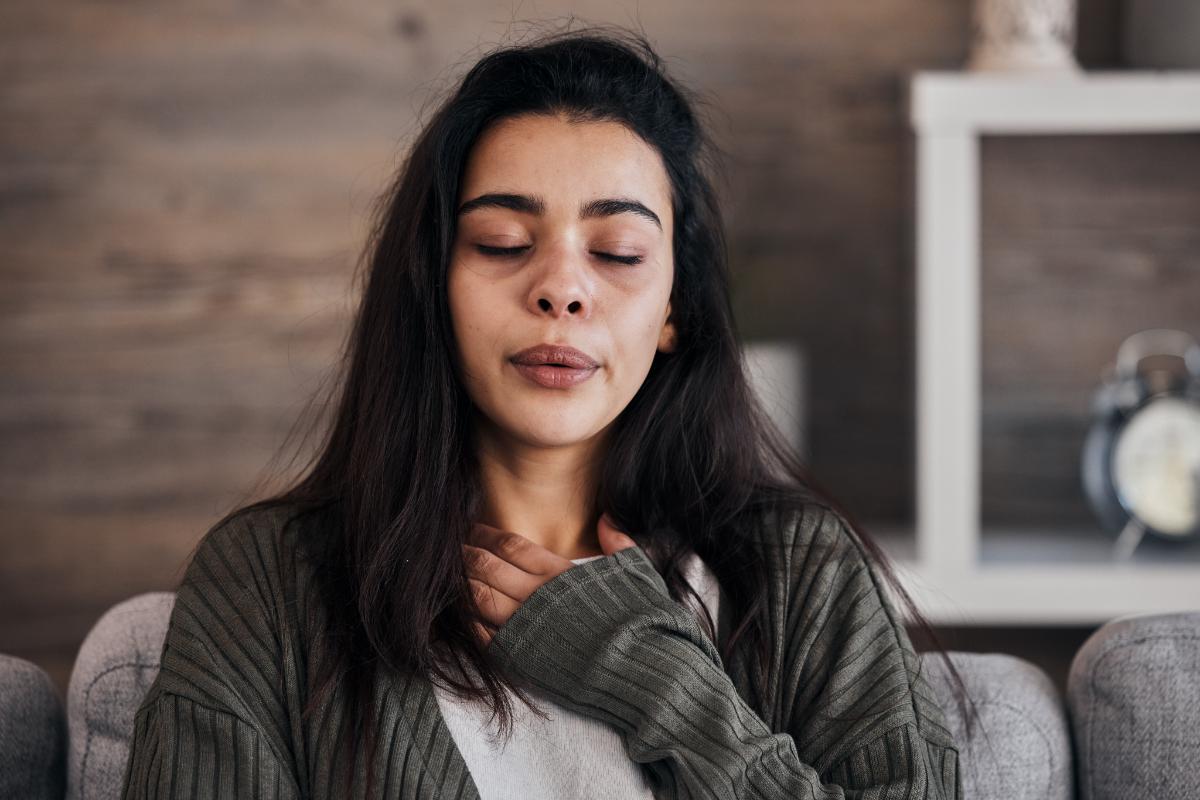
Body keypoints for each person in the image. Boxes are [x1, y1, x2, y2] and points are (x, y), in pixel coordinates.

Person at [120, 24, 975, 800]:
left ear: (675, 307)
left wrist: (659, 685)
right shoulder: (266, 586)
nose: (562, 287)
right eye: (502, 243)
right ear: (434, 284)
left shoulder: (801, 574)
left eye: (618, 252)